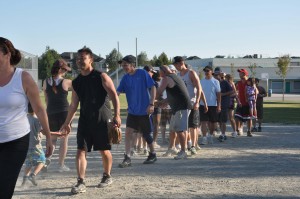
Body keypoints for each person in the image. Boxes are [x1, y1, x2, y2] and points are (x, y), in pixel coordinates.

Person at [60, 47, 121, 194]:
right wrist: (67, 122)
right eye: (78, 59)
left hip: (102, 118)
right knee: (80, 150)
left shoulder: (101, 76)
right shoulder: (76, 82)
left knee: (104, 150)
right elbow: (74, 104)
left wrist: (117, 115)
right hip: (85, 120)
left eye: (83, 58)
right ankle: (80, 181)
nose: (80, 61)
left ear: (91, 59)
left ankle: (107, 176)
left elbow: (114, 96)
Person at [0, 37, 53, 199]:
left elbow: (39, 109)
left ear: (7, 55)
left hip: (15, 141)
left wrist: (49, 137)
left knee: (4, 187)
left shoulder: (23, 78)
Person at [117, 55, 157, 167]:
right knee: (128, 133)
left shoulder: (142, 73)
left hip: (144, 110)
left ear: (132, 65)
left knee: (146, 134)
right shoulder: (125, 78)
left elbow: (153, 87)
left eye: (125, 65)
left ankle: (153, 154)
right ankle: (127, 157)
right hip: (132, 111)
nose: (123, 67)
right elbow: (118, 92)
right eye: (122, 65)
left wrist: (151, 104)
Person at [42, 58, 72, 172]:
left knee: (52, 140)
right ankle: (61, 165)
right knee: (64, 140)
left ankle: (47, 159)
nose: (65, 72)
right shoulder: (67, 82)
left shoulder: (45, 81)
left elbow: (46, 100)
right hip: (64, 113)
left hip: (50, 113)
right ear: (60, 70)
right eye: (64, 70)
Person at [157, 65, 192, 160]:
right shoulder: (175, 77)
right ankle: (171, 148)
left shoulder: (166, 78)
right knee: (172, 129)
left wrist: (153, 101)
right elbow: (177, 93)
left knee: (180, 129)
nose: (159, 74)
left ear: (163, 71)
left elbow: (158, 92)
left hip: (181, 106)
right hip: (177, 106)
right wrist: (165, 101)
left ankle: (183, 151)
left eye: (159, 72)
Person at [173, 56, 206, 155]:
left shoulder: (191, 73)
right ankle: (189, 145)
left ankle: (193, 146)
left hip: (192, 103)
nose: (175, 67)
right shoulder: (178, 75)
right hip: (183, 104)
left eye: (176, 64)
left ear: (181, 63)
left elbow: (199, 88)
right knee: (185, 126)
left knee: (192, 126)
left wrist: (197, 102)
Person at [21, 103, 46, 187]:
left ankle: (24, 180)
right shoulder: (36, 120)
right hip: (35, 145)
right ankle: (33, 175)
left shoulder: (24, 119)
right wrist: (56, 133)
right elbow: (42, 131)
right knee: (42, 160)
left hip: (26, 145)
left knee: (28, 162)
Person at [199, 65, 221, 145]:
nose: (206, 72)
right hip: (202, 104)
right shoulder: (201, 81)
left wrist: (219, 105)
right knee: (203, 121)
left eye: (208, 71)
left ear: (212, 72)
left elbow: (218, 94)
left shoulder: (216, 81)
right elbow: (199, 93)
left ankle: (210, 135)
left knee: (212, 122)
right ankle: (204, 138)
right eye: (205, 71)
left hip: (213, 105)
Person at [213, 68, 233, 142]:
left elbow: (232, 91)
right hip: (215, 103)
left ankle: (223, 134)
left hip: (224, 103)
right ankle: (219, 132)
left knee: (223, 120)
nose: (216, 76)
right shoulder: (213, 82)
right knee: (218, 120)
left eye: (218, 75)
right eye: (215, 75)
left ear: (221, 75)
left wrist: (223, 94)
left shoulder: (225, 82)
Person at [234, 69, 254, 137]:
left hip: (247, 103)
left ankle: (249, 131)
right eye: (239, 73)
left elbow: (256, 91)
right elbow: (236, 91)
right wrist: (237, 98)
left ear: (245, 74)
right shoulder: (238, 83)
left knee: (249, 118)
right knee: (237, 117)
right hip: (240, 103)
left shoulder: (249, 82)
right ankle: (237, 130)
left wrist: (251, 97)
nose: (240, 74)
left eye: (241, 73)